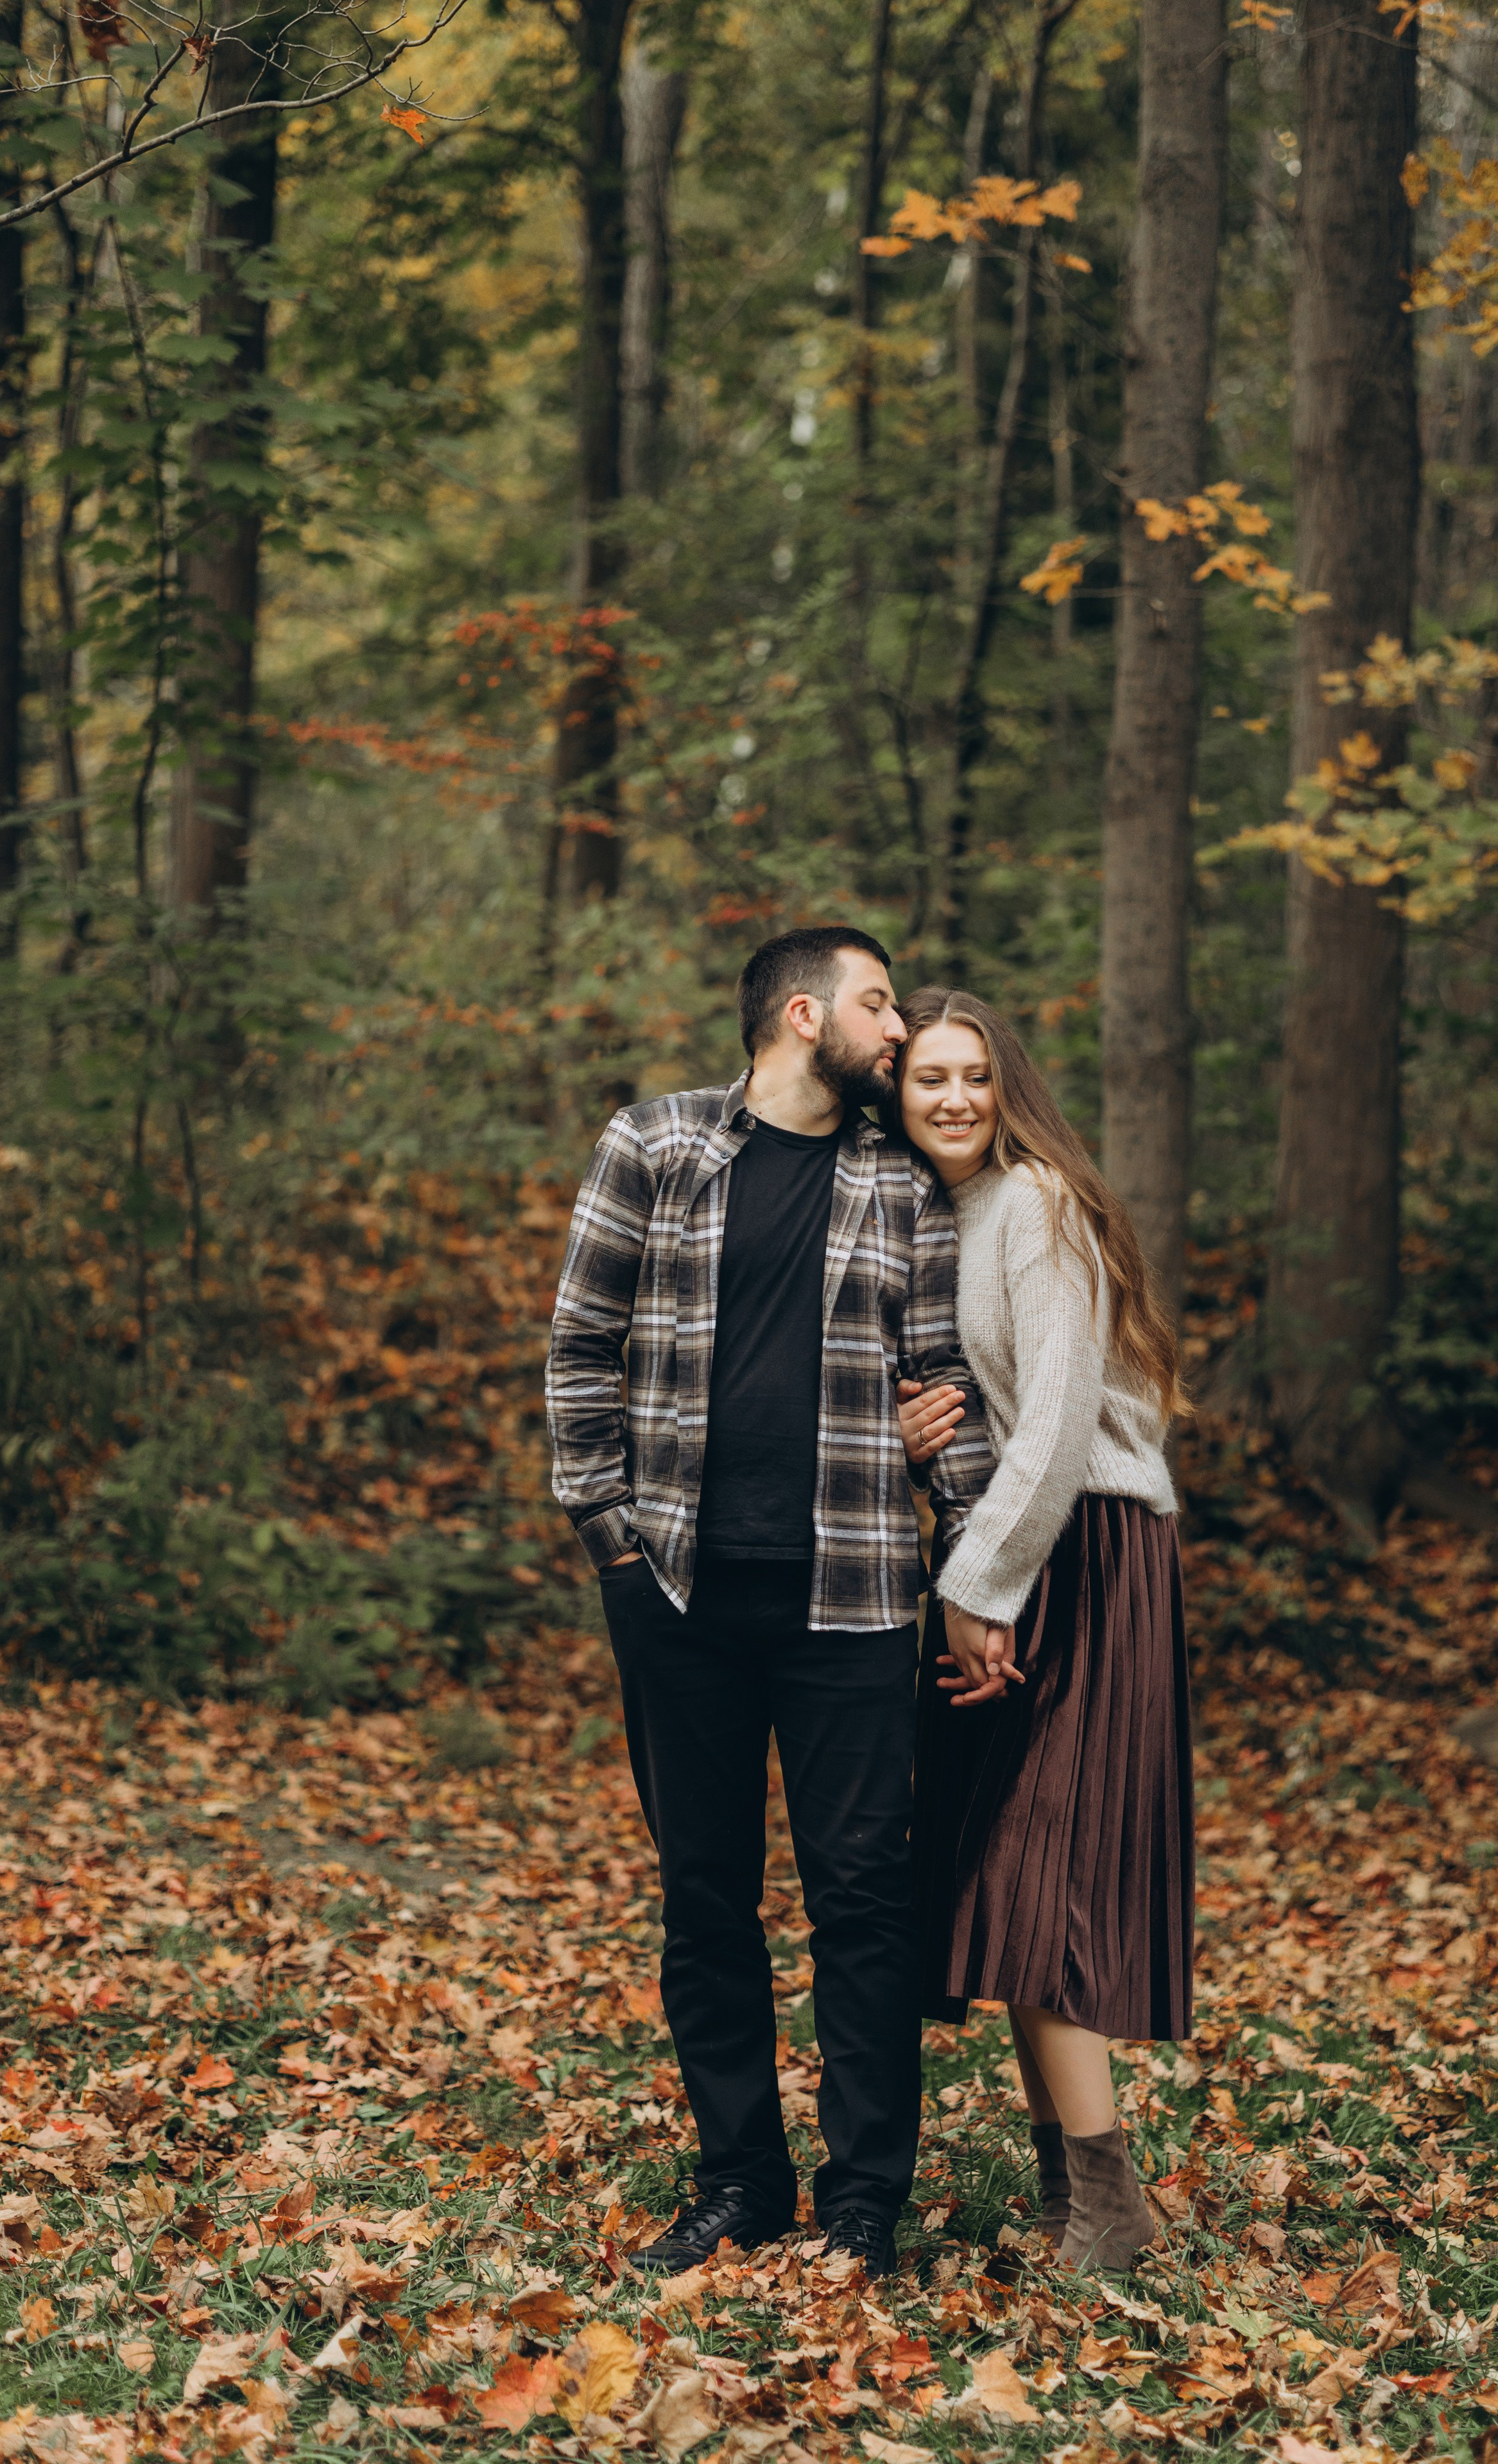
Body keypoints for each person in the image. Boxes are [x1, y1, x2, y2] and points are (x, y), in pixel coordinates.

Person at [545, 928, 996, 2280]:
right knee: (706, 1898)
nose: (898, 1030)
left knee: (862, 1900)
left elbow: (941, 1383)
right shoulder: (656, 1145)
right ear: (804, 1015)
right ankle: (738, 2182)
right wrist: (609, 1535)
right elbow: (581, 1341)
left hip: (852, 1595)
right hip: (676, 1591)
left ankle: (863, 2202)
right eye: (878, 1005)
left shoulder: (901, 1184)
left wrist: (974, 1564)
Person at [892, 986, 1193, 2274]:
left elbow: (1062, 1420)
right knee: (1003, 1885)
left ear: (1008, 1087)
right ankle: (1070, 2195)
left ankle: (1112, 2212)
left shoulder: (1036, 1203)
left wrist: (977, 1588)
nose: (955, 1098)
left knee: (1038, 1875)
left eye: (976, 1075)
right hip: (1020, 1548)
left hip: (1086, 1552)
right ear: (896, 1095)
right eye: (928, 1078)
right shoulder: (936, 1215)